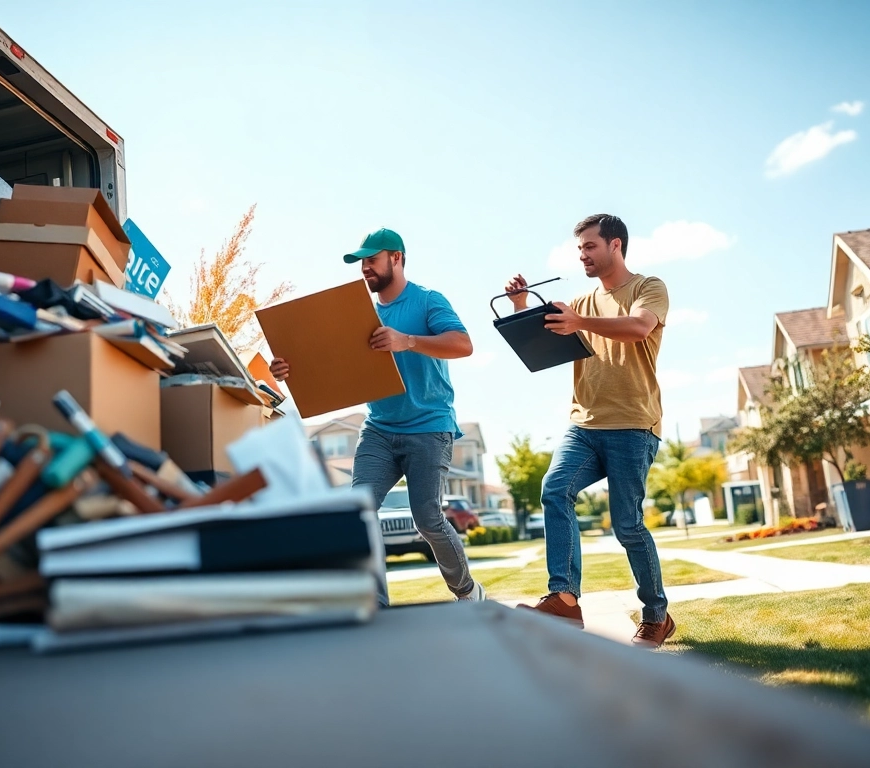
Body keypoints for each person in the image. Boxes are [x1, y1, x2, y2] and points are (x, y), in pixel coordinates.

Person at [270, 228, 484, 606]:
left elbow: (463, 344)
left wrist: (408, 340)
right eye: (362, 262)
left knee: (427, 518)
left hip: (429, 427)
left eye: (372, 260)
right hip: (380, 430)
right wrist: (290, 370)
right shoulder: (358, 314)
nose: (365, 268)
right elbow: (330, 365)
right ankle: (376, 605)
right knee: (359, 513)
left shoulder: (427, 301)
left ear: (396, 258)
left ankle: (467, 591)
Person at [505, 213, 675, 648]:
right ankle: (564, 599)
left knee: (628, 525)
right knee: (553, 489)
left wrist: (580, 323)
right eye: (579, 248)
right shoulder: (578, 304)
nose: (582, 254)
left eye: (589, 246)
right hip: (584, 424)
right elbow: (545, 344)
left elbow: (638, 328)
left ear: (615, 245)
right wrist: (523, 309)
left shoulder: (648, 288)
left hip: (633, 424)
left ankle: (657, 616)